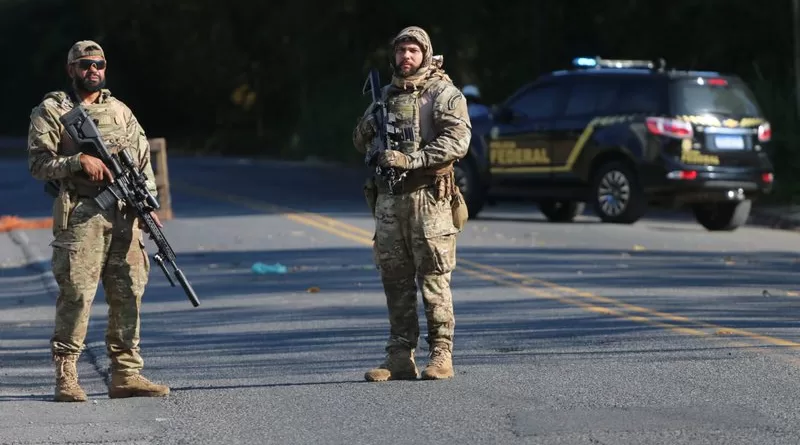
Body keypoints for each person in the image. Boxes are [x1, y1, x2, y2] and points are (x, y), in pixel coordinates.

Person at [27, 40, 170, 401]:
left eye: (99, 64)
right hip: (81, 215)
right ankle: (67, 377)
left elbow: (142, 163)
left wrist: (149, 204)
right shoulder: (52, 110)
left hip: (125, 216)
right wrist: (77, 163)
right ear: (71, 69)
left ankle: (126, 374)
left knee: (129, 293)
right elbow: (38, 164)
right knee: (76, 294)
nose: (93, 71)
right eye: (85, 64)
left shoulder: (121, 111)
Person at [352, 26, 472, 381]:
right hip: (390, 200)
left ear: (425, 54)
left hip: (429, 197)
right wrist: (368, 126)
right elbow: (360, 142)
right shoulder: (384, 96)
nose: (406, 57)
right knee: (395, 278)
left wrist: (414, 160)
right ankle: (400, 355)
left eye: (413, 51)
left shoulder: (443, 94)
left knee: (434, 277)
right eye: (402, 50)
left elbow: (458, 140)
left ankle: (441, 354)